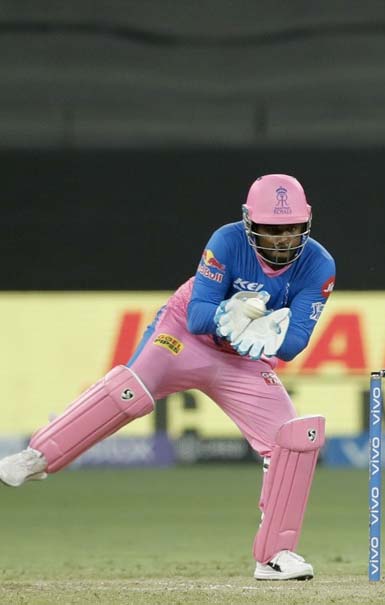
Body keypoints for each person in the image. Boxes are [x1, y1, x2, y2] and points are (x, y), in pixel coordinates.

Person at [0, 174, 336, 582]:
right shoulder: (227, 241)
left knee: (293, 440)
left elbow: (294, 343)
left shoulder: (320, 265)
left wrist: (266, 332)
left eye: (291, 228)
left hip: (244, 360)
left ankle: (275, 555)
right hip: (183, 339)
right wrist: (229, 313)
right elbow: (197, 316)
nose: (283, 239)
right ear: (250, 222)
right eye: (272, 229)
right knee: (129, 392)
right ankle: (38, 456)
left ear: (306, 222)